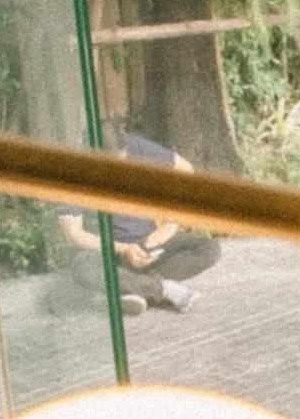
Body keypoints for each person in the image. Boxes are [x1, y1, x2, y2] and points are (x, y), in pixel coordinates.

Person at [58, 130, 222, 315]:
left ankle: (131, 288)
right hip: (106, 252)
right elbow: (73, 235)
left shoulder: (137, 147)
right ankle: (161, 289)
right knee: (84, 266)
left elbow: (185, 170)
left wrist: (172, 222)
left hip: (147, 241)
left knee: (209, 249)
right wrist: (123, 249)